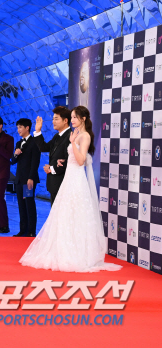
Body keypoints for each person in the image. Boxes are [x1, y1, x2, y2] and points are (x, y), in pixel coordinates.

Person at [20, 106, 121, 272]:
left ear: (82, 119)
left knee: (76, 216)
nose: (73, 120)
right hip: (68, 179)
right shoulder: (75, 135)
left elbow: (80, 160)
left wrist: (73, 143)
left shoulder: (84, 136)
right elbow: (54, 152)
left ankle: (77, 253)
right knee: (63, 216)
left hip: (76, 180)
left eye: (75, 117)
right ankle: (62, 250)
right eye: (72, 117)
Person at [32, 106, 72, 205]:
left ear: (65, 120)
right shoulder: (57, 136)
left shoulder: (70, 136)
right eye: (53, 119)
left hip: (63, 184)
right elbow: (44, 147)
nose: (53, 121)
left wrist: (52, 169)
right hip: (54, 184)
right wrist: (38, 131)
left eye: (56, 119)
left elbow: (70, 161)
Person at [10, 118, 40, 237]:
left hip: (28, 179)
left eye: (20, 127)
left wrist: (31, 177)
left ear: (27, 128)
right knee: (21, 205)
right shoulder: (18, 143)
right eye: (17, 127)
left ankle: (31, 231)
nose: (18, 130)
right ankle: (23, 229)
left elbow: (35, 162)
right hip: (19, 179)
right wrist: (15, 155)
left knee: (29, 204)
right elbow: (12, 161)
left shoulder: (34, 142)